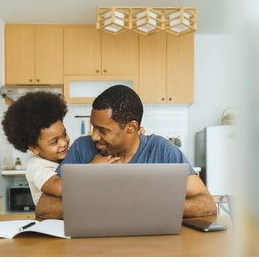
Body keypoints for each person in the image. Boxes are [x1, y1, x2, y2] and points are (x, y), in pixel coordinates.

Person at [35, 85, 217, 220]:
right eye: (93, 127)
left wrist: (148, 207)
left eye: (103, 130)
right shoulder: (82, 148)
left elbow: (206, 204)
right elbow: (44, 207)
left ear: (131, 128)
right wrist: (116, 206)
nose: (94, 137)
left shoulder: (161, 149)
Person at [1, 91, 118, 206]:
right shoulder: (36, 166)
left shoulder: (66, 155)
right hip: (51, 221)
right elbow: (60, 187)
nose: (63, 143)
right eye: (54, 142)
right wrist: (92, 168)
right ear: (34, 148)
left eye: (64, 134)